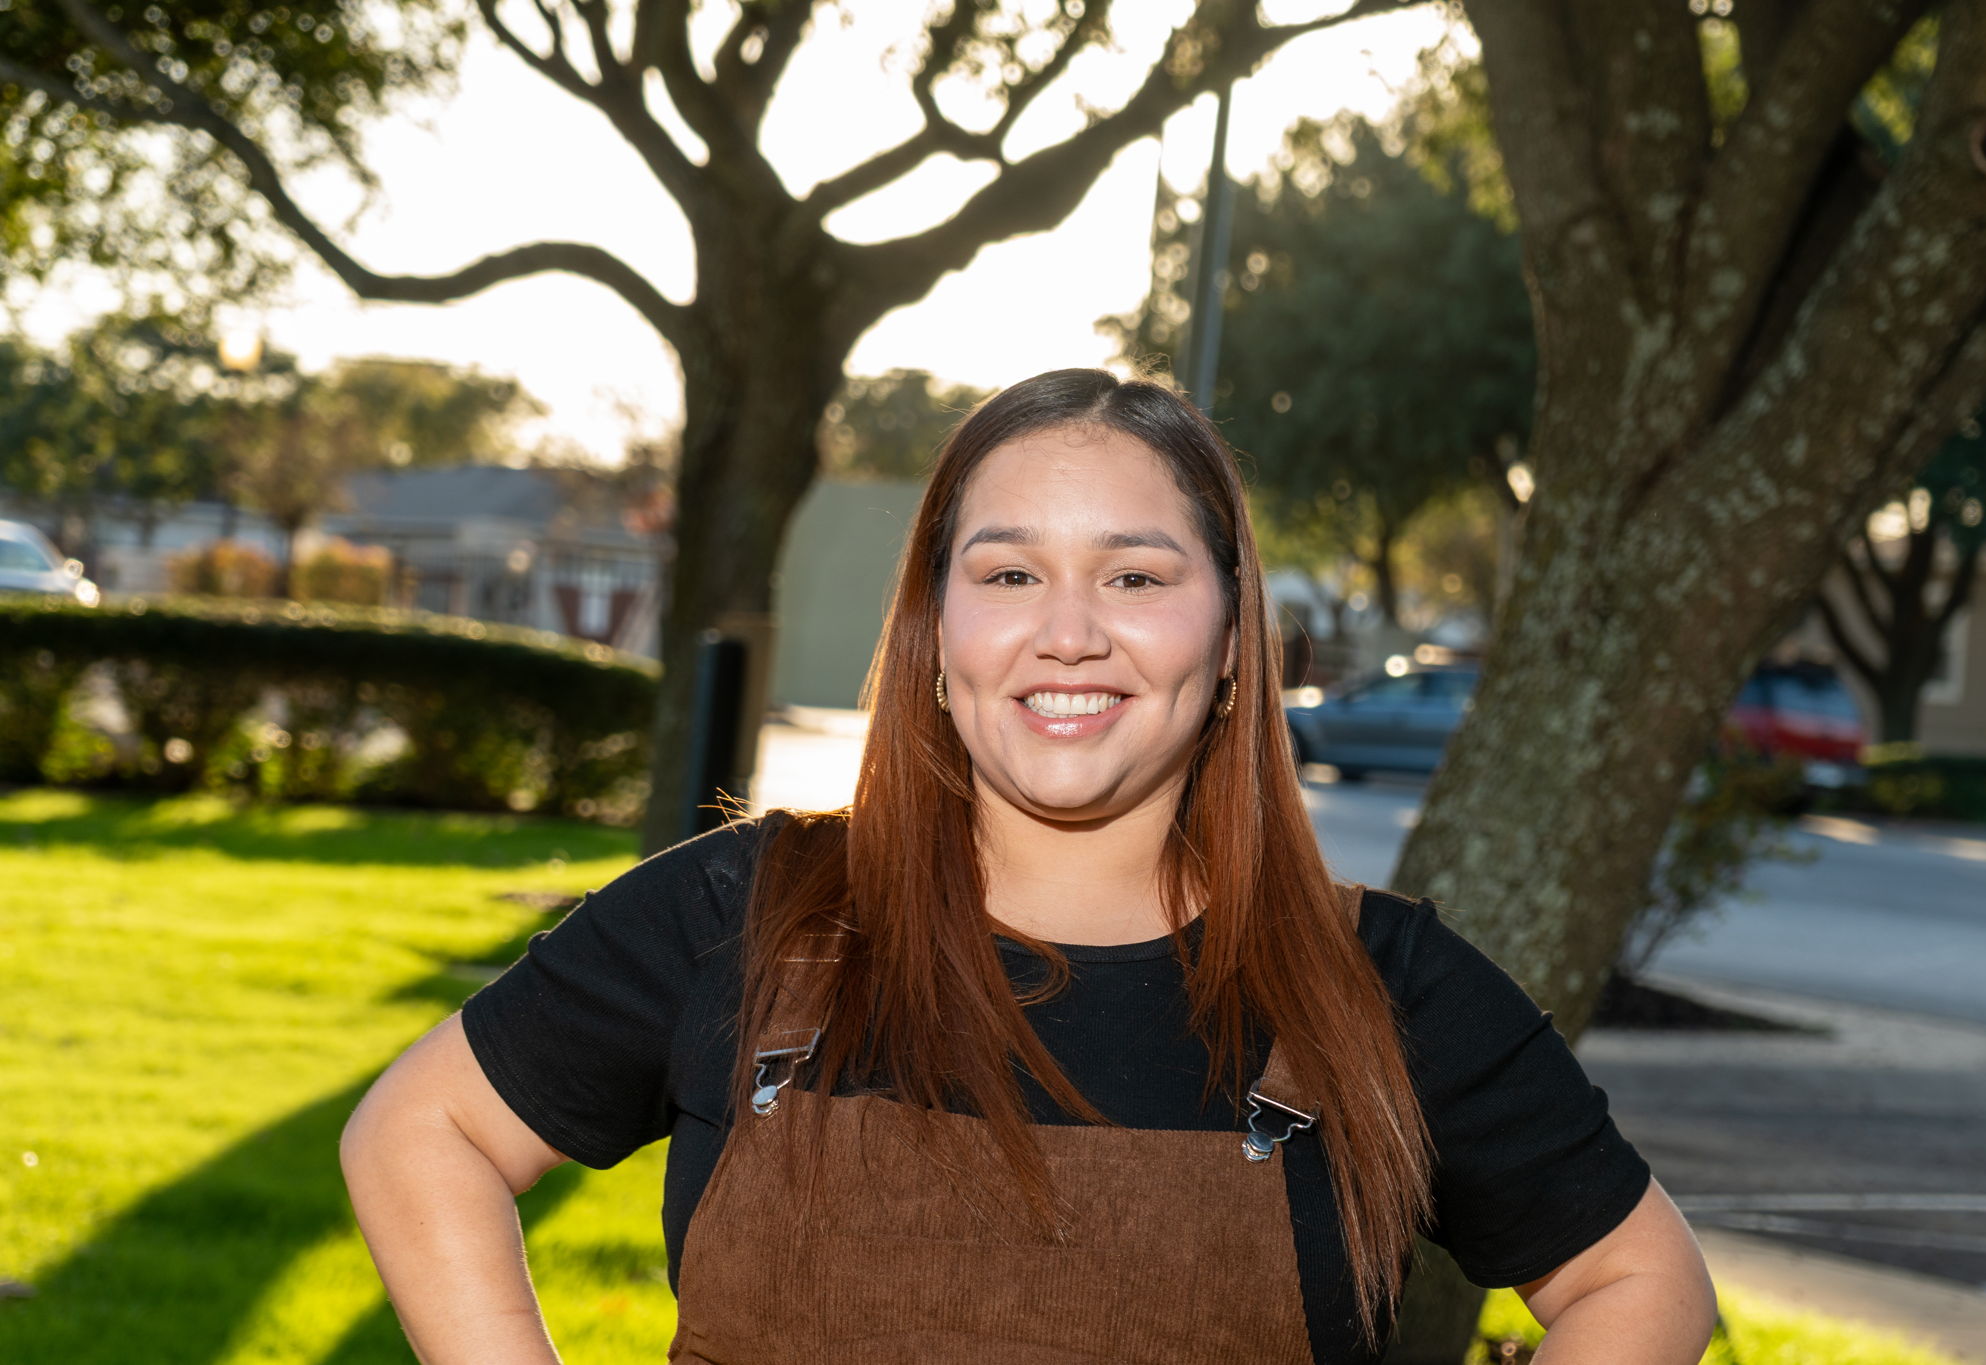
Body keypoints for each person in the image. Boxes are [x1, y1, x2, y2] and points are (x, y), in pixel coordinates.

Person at [340, 368, 1718, 1364]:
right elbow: (419, 1132)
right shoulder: (748, 914)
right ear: (935, 639)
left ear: (1234, 640)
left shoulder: (1380, 986)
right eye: (1007, 576)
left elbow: (1641, 1276)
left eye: (1134, 576)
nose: (1069, 633)